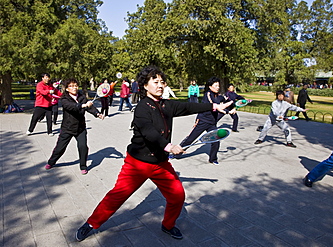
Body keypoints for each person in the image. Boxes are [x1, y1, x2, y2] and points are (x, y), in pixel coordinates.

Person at [75, 66, 231, 241]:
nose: (160, 85)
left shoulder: (167, 104)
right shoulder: (142, 108)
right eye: (155, 82)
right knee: (117, 196)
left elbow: (188, 106)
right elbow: (149, 132)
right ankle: (90, 224)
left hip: (160, 164)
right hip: (137, 164)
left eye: (162, 82)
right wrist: (169, 146)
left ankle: (168, 225)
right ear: (145, 86)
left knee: (178, 195)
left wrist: (214, 106)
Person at [45, 78, 104, 175]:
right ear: (67, 88)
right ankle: (51, 162)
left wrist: (97, 114)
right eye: (71, 86)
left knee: (83, 147)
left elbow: (90, 107)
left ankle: (83, 166)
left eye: (75, 85)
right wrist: (83, 106)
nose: (74, 88)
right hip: (67, 128)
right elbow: (71, 106)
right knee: (60, 148)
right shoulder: (64, 98)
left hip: (80, 128)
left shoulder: (81, 97)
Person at [178, 77, 231, 165]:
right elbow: (214, 104)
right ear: (210, 87)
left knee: (216, 141)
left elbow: (226, 100)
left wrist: (233, 102)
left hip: (212, 123)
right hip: (202, 120)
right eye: (216, 85)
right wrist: (227, 110)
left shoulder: (219, 96)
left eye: (218, 85)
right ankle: (176, 154)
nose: (218, 87)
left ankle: (213, 159)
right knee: (191, 138)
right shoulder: (208, 95)